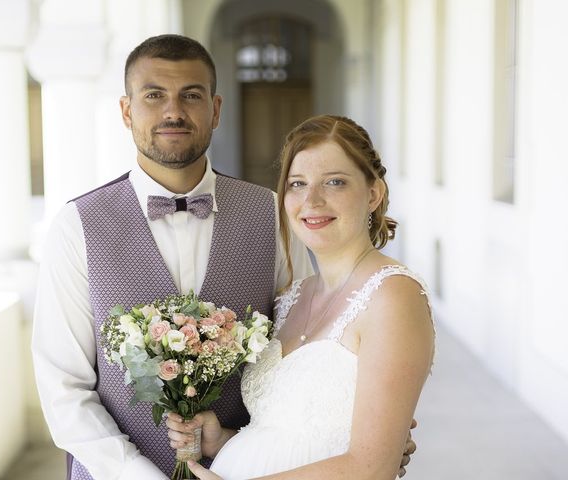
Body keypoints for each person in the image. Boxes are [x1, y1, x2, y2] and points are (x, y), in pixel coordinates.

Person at [32, 34, 415, 480]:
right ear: (126, 110)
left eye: (190, 96)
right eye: (154, 95)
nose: (173, 111)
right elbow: (64, 388)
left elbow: (304, 343)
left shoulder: (271, 212)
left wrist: (366, 432)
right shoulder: (77, 225)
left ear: (215, 109)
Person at [166, 114, 435, 480]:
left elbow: (372, 467)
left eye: (335, 182)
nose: (312, 200)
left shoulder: (393, 296)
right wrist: (221, 440)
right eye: (297, 183)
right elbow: (288, 438)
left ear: (374, 194)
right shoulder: (290, 297)